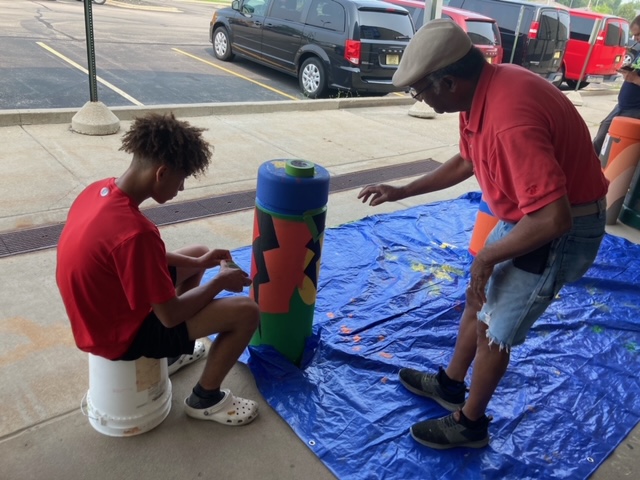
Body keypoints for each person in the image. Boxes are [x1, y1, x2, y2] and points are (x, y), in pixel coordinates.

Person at [358, 19, 608, 450]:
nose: (422, 99)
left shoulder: (509, 120)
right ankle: (452, 383)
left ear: (449, 82)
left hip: (558, 229)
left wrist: (488, 256)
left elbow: (554, 220)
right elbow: (466, 161)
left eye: (421, 91)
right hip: (530, 217)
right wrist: (403, 189)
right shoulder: (483, 92)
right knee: (478, 298)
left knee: (495, 325)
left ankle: (470, 423)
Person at [56, 113, 260, 426]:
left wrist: (197, 264)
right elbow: (170, 315)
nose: (181, 187)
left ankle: (174, 352)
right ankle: (206, 398)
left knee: (196, 254)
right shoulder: (136, 233)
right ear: (161, 173)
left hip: (99, 310)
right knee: (246, 311)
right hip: (118, 336)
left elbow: (134, 255)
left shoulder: (100, 191)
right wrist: (219, 282)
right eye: (181, 178)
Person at [592, 14, 640, 155]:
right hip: (622, 105)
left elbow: (636, 78)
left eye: (638, 34)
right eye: (634, 35)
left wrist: (635, 80)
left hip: (635, 110)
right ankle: (588, 169)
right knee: (600, 138)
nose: (635, 38)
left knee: (612, 148)